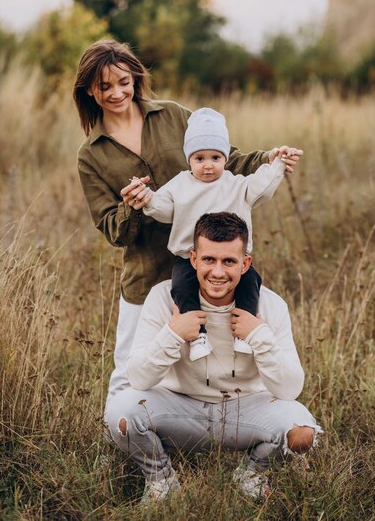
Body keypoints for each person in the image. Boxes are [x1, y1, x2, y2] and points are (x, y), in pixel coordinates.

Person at [73, 39, 302, 419]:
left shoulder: (175, 116)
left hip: (214, 268)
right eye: (104, 86)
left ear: (135, 79)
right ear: (89, 91)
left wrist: (269, 158)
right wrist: (133, 206)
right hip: (149, 272)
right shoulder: (91, 154)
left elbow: (227, 157)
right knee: (131, 367)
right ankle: (119, 441)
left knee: (214, 354)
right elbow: (111, 229)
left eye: (124, 82)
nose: (117, 93)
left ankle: (208, 432)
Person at [116, 212, 321, 504]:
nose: (218, 272)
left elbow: (290, 390)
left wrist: (258, 336)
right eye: (209, 260)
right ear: (194, 259)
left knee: (302, 433)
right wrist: (173, 334)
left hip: (244, 410)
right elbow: (137, 378)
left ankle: (252, 473)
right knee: (121, 414)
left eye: (229, 261)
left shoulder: (270, 305)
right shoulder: (163, 297)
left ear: (245, 263)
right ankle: (161, 480)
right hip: (181, 407)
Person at [136, 107, 302, 361]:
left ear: (225, 158)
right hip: (187, 258)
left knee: (251, 283)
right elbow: (163, 207)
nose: (208, 166)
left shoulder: (235, 184)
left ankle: (243, 333)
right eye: (199, 158)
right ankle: (198, 336)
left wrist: (277, 164)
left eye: (215, 158)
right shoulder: (180, 185)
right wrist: (147, 198)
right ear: (188, 160)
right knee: (182, 288)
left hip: (234, 259)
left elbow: (261, 187)